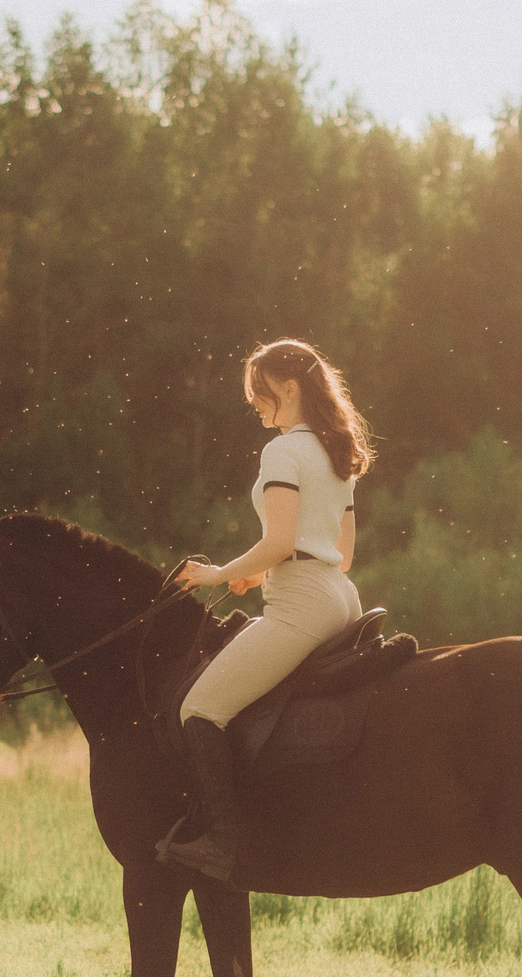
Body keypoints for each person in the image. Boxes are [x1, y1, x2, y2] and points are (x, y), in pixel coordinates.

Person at [157, 338, 375, 882]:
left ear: (290, 387)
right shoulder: (336, 448)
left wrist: (217, 574)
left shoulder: (283, 452)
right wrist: (258, 574)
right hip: (341, 597)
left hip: (302, 602)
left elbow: (280, 541)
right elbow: (341, 554)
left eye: (260, 391)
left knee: (199, 709)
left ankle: (225, 844)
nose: (254, 402)